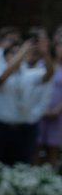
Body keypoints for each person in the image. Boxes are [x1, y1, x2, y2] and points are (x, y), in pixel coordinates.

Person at [0, 29, 56, 169]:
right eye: (13, 53)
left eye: (19, 53)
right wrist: (23, 51)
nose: (18, 55)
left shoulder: (30, 73)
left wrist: (45, 53)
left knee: (21, 167)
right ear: (5, 57)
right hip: (1, 129)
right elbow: (1, 80)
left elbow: (49, 74)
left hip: (25, 130)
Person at [39, 34, 62, 169]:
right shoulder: (43, 64)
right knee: (37, 145)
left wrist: (57, 109)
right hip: (39, 110)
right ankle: (30, 176)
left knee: (53, 147)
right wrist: (42, 108)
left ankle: (49, 178)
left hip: (58, 113)